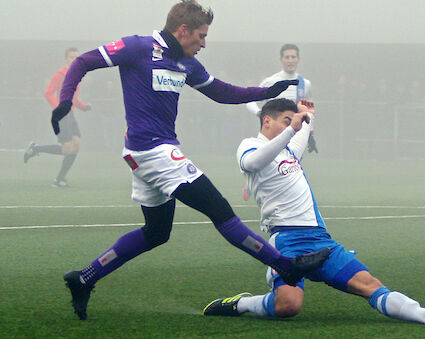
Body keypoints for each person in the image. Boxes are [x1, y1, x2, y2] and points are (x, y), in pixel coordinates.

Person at [53, 0, 329, 320]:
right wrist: (65, 101)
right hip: (154, 152)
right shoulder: (138, 47)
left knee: (156, 233)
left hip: (145, 155)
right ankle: (286, 267)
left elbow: (223, 92)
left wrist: (267, 91)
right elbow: (83, 62)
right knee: (219, 210)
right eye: (201, 35)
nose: (204, 42)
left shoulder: (187, 63)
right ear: (182, 30)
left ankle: (84, 277)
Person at [203, 98, 425, 326]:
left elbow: (300, 136)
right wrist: (291, 129)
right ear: (266, 121)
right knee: (288, 307)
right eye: (285, 121)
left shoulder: (289, 151)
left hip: (320, 239)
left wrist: (308, 118)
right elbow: (252, 163)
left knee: (370, 285)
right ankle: (244, 304)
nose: (289, 127)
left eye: (290, 123)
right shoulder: (249, 145)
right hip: (286, 240)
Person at [24, 47, 92, 187]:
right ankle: (36, 149)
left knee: (76, 146)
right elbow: (48, 93)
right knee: (67, 148)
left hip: (70, 114)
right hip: (62, 115)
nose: (74, 60)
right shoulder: (60, 75)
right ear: (66, 59)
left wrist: (83, 107)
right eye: (71, 57)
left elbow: (73, 98)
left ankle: (59, 179)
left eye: (76, 57)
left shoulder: (77, 74)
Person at [245, 44, 318, 154]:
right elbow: (250, 101)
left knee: (291, 166)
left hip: (294, 135)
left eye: (293, 57)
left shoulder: (305, 84)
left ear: (298, 59)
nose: (290, 60)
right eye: (287, 57)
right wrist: (260, 113)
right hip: (272, 134)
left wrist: (310, 134)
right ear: (281, 59)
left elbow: (309, 110)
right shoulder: (270, 81)